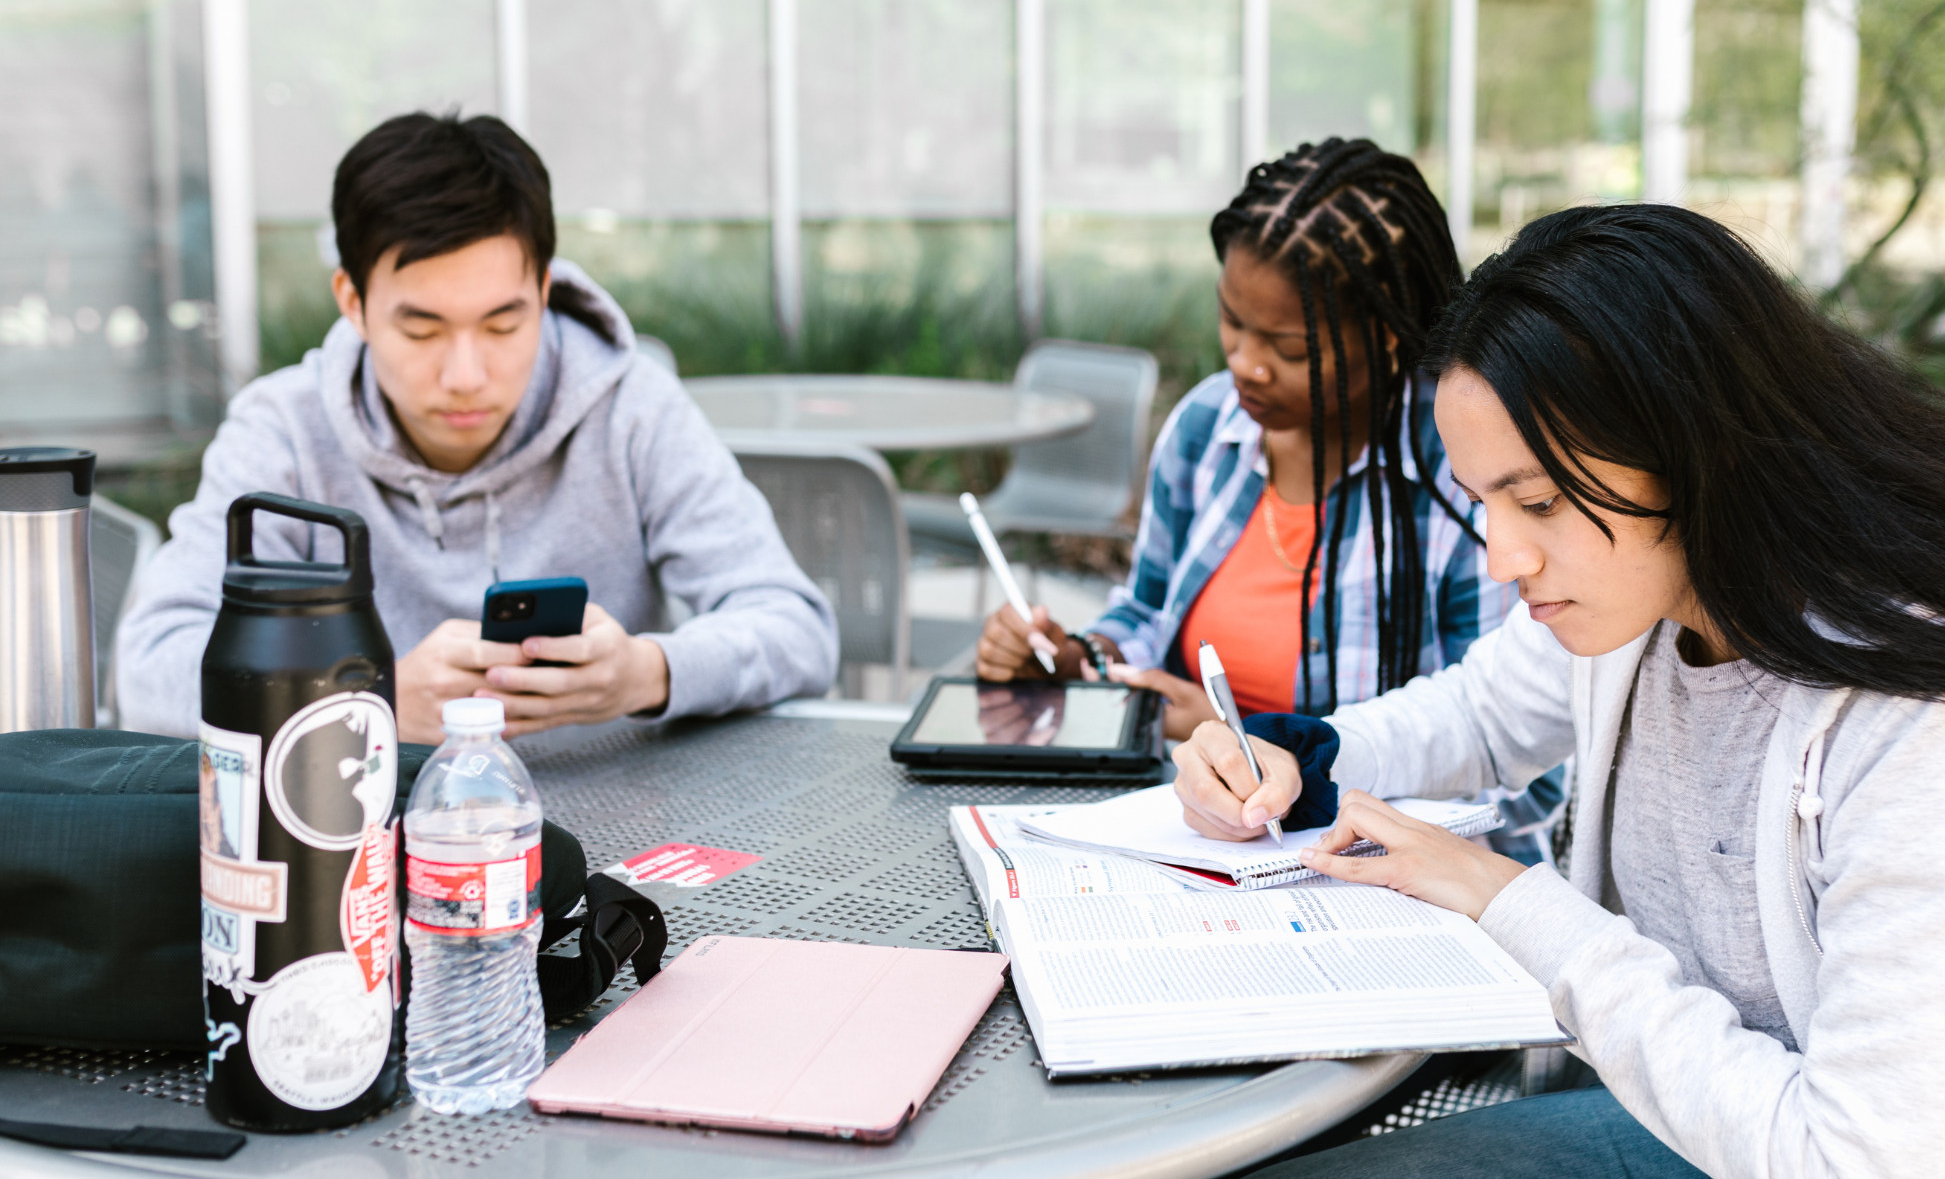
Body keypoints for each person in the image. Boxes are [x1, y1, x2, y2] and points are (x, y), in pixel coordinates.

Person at [1179, 205, 1945, 1177]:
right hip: (1722, 1129)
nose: (1502, 558)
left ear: (1691, 451)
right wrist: (1292, 757)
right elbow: (1477, 715)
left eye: (1536, 501)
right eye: (1483, 502)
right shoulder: (1649, 594)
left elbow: (1847, 1160)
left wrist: (1508, 901)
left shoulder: (1936, 720)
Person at [118, 112, 837, 744]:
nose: (466, 374)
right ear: (353, 301)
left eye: (503, 323)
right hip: (364, 844)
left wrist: (647, 673)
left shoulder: (631, 408)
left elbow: (797, 627)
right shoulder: (284, 432)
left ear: (545, 289)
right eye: (422, 328)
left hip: (621, 837)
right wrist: (370, 702)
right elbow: (150, 667)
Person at [975, 137, 1565, 863]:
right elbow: (1148, 612)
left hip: (1388, 882)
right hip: (1198, 845)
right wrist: (1079, 661)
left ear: (1385, 336)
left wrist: (1266, 746)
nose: (1244, 364)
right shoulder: (1206, 430)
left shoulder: (1463, 473)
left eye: (1288, 348)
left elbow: (1521, 762)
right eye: (1232, 322)